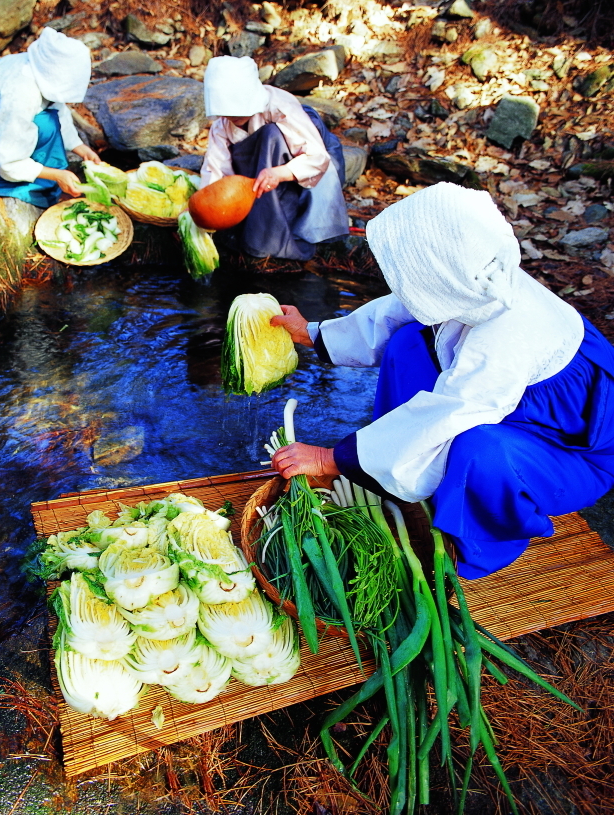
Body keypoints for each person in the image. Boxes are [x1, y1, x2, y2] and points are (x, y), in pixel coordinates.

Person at [269, 181, 614, 579]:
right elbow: (398, 310)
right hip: (505, 404)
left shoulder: (507, 336)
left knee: (478, 449)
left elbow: (449, 414)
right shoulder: (467, 275)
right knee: (407, 345)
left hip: (568, 448)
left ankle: (475, 546)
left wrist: (333, 459)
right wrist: (311, 332)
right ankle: (390, 472)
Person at [201, 55, 349, 260]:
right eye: (227, 114)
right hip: (258, 175)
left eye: (237, 113)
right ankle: (260, 228)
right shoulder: (222, 126)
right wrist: (207, 210)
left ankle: (275, 239)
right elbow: (216, 170)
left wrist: (280, 173)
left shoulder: (279, 106)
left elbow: (316, 157)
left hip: (301, 167)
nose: (232, 118)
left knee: (271, 136)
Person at [0, 27, 101, 208]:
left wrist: (80, 148)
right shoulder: (22, 93)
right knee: (45, 125)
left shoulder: (42, 68)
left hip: (2, 110)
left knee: (49, 122)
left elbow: (58, 107)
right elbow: (8, 160)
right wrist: (55, 175)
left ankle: (34, 169)